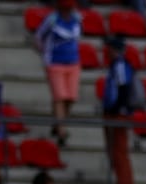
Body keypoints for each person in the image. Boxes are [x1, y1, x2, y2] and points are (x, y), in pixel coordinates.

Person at [34, 0, 83, 145]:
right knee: (60, 96)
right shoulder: (52, 20)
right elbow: (38, 37)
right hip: (55, 63)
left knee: (71, 97)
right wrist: (44, 53)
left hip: (73, 63)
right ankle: (62, 131)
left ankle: (57, 123)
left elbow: (77, 38)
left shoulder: (77, 19)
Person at [99, 35, 139, 184]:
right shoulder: (117, 65)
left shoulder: (121, 65)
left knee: (120, 154)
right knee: (116, 154)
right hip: (115, 114)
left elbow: (123, 89)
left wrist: (116, 109)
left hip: (117, 115)